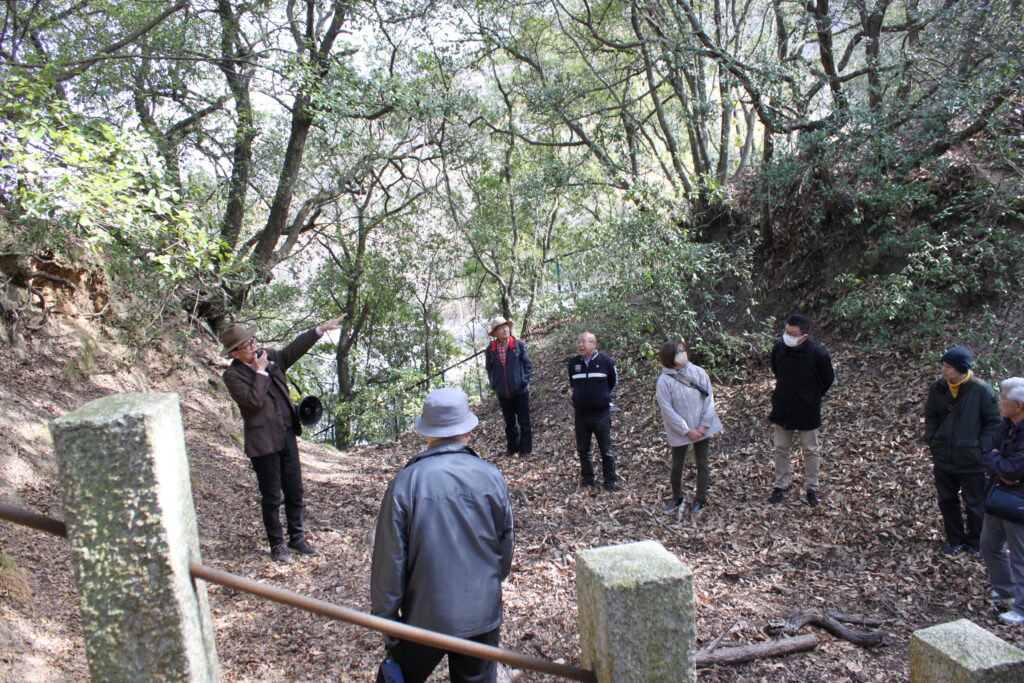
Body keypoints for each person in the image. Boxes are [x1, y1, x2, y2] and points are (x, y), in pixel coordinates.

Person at [371, 387, 514, 682]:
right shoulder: (490, 476)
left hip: (423, 613)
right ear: (468, 431)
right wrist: (488, 584)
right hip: (480, 610)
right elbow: (504, 545)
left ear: (427, 433)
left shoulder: (405, 483)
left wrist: (386, 617)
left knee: (397, 677)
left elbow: (390, 558)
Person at [220, 315, 344, 564]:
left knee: (295, 489)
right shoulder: (233, 376)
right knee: (272, 496)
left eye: (253, 341)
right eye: (247, 345)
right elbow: (253, 402)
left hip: (286, 433)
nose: (254, 347)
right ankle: (277, 545)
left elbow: (291, 352)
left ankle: (297, 538)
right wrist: (260, 373)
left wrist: (318, 331)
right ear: (235, 353)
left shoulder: (269, 356)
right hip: (263, 442)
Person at [925, 346, 1000, 555]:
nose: (944, 370)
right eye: (943, 365)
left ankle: (976, 542)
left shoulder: (982, 390)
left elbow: (993, 422)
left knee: (975, 503)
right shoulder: (938, 388)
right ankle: (955, 540)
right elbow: (931, 416)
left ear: (961, 368)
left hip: (971, 458)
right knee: (947, 500)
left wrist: (981, 448)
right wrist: (932, 439)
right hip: (944, 457)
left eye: (948, 366)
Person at [768, 313, 835, 507]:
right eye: (787, 332)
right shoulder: (779, 348)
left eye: (793, 333)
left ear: (804, 335)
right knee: (781, 448)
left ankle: (812, 486)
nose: (788, 336)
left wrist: (812, 396)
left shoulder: (818, 354)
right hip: (782, 406)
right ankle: (780, 484)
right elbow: (776, 370)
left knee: (810, 449)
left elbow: (827, 379)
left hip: (808, 409)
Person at [655, 340, 723, 515]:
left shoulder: (698, 372)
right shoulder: (664, 380)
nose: (683, 354)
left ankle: (700, 499)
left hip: (702, 427)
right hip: (679, 430)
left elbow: (709, 400)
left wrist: (703, 426)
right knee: (677, 465)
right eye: (678, 352)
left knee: (702, 463)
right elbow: (667, 409)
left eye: (684, 350)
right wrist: (686, 430)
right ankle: (676, 496)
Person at [979, 377, 1024, 625]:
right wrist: (1000, 466)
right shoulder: (1005, 426)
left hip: (1019, 502)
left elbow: (1014, 469)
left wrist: (1001, 465)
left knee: (1020, 556)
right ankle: (1004, 589)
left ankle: (1022, 607)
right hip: (998, 496)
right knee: (989, 544)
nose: (1000, 403)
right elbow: (988, 451)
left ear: (1018, 405)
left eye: (1004, 399)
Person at [568, 331, 618, 491]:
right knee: (583, 449)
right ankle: (588, 479)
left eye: (584, 342)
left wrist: (602, 397)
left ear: (594, 344)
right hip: (581, 414)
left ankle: (610, 481)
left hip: (601, 413)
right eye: (579, 342)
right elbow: (573, 383)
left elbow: (613, 382)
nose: (580, 345)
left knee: (606, 450)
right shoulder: (573, 363)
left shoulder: (606, 361)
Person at [484, 316, 533, 457]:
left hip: (520, 390)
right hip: (502, 392)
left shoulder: (518, 345)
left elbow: (527, 365)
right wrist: (494, 384)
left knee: (524, 421)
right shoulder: (491, 349)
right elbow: (489, 368)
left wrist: (522, 382)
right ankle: (512, 448)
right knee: (509, 422)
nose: (505, 329)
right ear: (495, 332)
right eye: (501, 328)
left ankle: (526, 450)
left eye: (506, 326)